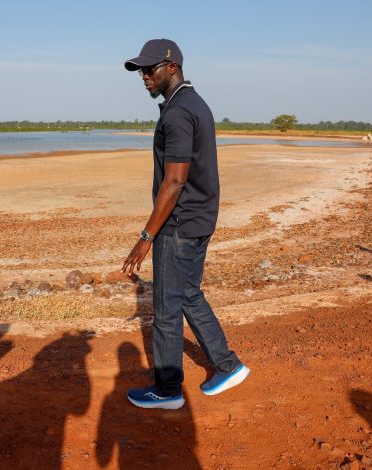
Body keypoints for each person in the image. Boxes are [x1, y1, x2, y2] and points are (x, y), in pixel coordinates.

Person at [121, 39, 248, 410]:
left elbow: (175, 181)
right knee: (188, 293)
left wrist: (147, 236)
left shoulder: (177, 112)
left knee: (165, 308)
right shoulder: (194, 103)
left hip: (178, 224)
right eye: (141, 71)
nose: (145, 76)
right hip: (200, 218)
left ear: (172, 66)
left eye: (150, 69)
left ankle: (167, 390)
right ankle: (228, 365)